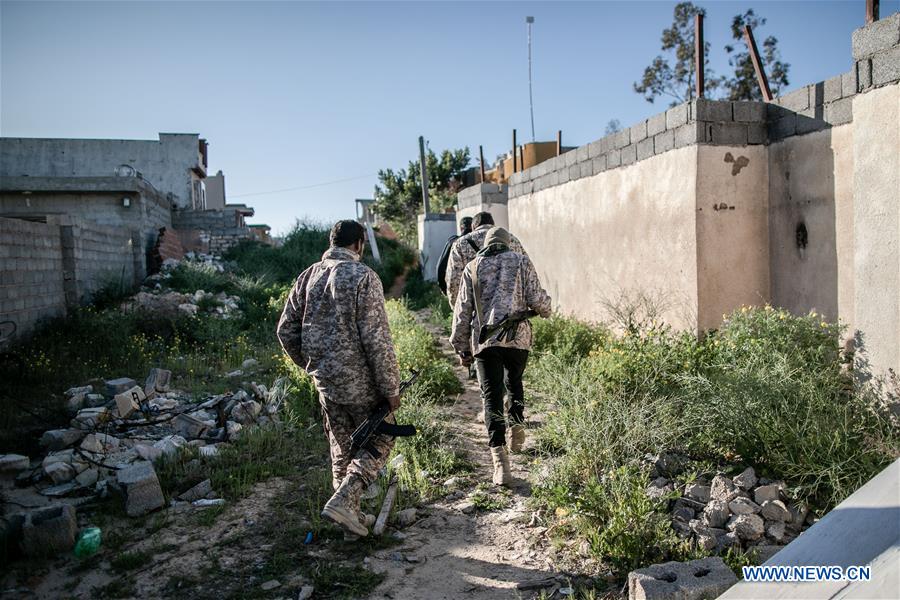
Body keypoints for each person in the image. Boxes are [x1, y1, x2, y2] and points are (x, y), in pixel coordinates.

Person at [276, 220, 400, 538]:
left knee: (341, 448)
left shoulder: (308, 276)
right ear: (359, 244)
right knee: (380, 440)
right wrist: (390, 387)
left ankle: (348, 524)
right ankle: (347, 502)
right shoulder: (363, 276)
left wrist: (310, 365)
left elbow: (284, 330)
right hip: (362, 384)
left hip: (326, 383)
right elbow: (377, 339)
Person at [450, 227, 551, 486]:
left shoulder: (472, 267)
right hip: (518, 338)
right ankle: (516, 430)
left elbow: (462, 311)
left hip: (486, 341)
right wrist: (546, 308)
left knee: (491, 396)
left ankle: (500, 464)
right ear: (507, 244)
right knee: (514, 383)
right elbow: (538, 299)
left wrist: (461, 346)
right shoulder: (520, 261)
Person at [444, 212, 527, 309]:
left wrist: (457, 307)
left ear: (473, 226)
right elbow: (526, 271)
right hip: (513, 309)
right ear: (493, 225)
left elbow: (453, 280)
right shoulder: (512, 239)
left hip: (479, 313)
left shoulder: (460, 244)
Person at [436, 217, 473, 296]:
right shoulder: (480, 242)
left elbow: (441, 267)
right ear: (473, 227)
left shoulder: (453, 242)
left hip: (457, 292)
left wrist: (444, 289)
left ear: (460, 228)